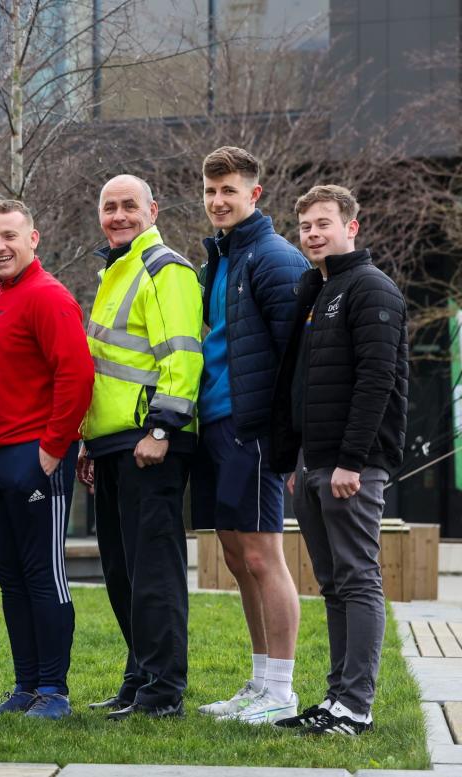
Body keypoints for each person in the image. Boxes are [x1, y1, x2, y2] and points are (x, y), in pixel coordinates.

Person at [270, 184, 408, 736]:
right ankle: (335, 701)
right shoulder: (316, 288)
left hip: (352, 464)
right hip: (312, 461)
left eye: (323, 224)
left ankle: (357, 706)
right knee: (332, 584)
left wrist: (352, 460)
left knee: (357, 579)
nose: (312, 234)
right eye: (305, 226)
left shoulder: (370, 288)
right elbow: (298, 383)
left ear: (352, 226)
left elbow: (378, 381)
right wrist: (291, 461)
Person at [78, 175, 203, 720]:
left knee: (153, 570)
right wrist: (88, 438)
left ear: (152, 210)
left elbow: (182, 354)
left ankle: (163, 692)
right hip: (112, 444)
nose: (119, 215)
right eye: (110, 207)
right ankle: (139, 678)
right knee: (122, 570)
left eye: (130, 206)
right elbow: (104, 369)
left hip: (149, 442)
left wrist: (162, 428)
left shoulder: (165, 267)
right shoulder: (115, 269)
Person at [0, 200, 92, 719]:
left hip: (33, 458)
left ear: (32, 239)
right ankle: (25, 686)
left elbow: (77, 377)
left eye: (9, 236)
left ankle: (53, 691)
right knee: (11, 578)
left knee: (44, 575)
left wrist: (52, 449)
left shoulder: (50, 297)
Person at [192, 147, 308, 724]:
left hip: (255, 429)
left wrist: (288, 445)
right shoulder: (222, 255)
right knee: (237, 557)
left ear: (254, 194)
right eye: (211, 192)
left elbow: (296, 359)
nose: (218, 201)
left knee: (264, 559)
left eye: (229, 191)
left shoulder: (273, 257)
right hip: (217, 423)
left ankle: (282, 692)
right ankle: (259, 682)